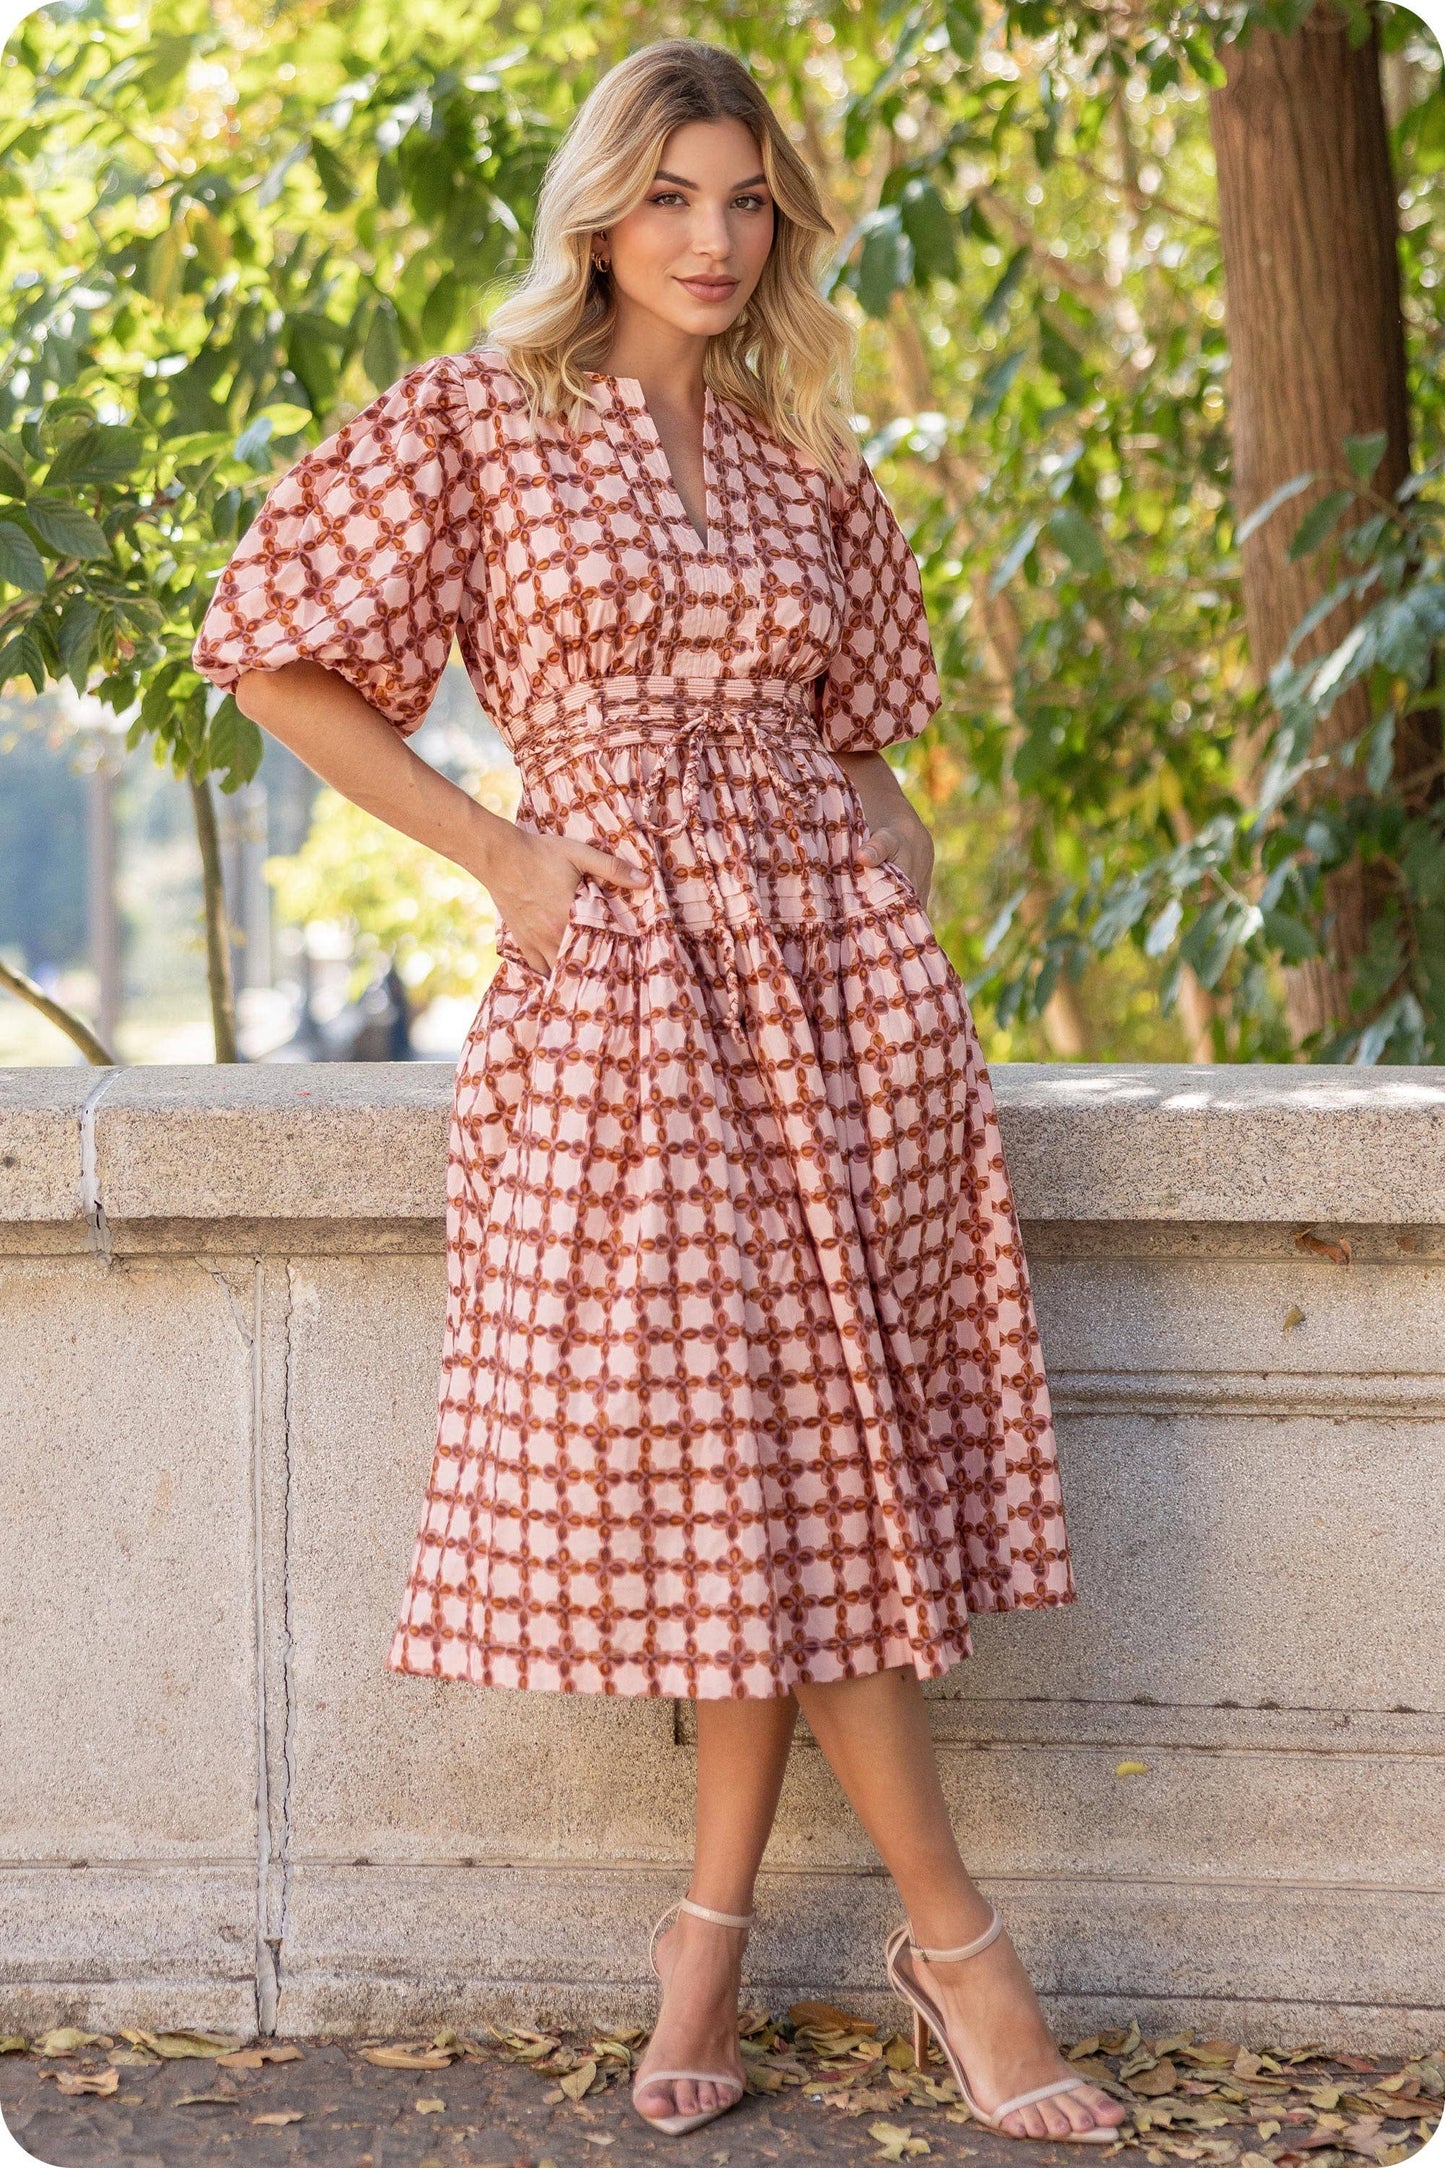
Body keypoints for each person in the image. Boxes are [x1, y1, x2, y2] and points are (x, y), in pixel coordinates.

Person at [192, 36, 1123, 2148]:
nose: (714, 238)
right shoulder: (480, 420)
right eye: (673, 196)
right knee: (752, 1462)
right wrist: (503, 859)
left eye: (747, 200)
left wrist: (887, 869)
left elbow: (864, 738)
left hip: (840, 1002)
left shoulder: (805, 464)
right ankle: (962, 1951)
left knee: (780, 1486)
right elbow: (266, 651)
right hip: (626, 992)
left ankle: (705, 1938)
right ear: (601, 213)